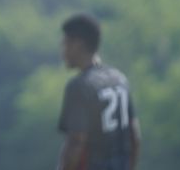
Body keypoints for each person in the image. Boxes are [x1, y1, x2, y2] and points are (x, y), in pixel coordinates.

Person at [57, 14, 141, 170]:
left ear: (78, 44)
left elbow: (76, 143)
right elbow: (134, 137)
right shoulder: (119, 79)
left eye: (66, 44)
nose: (63, 51)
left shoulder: (80, 87)